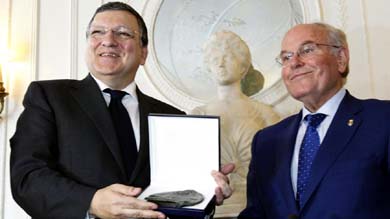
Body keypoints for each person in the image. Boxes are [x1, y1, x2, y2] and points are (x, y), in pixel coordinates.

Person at [10, 2, 233, 219]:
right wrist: (91, 202)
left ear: (143, 53)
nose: (108, 40)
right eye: (98, 32)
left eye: (123, 33)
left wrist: (206, 193)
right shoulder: (49, 97)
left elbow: (178, 199)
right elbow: (27, 178)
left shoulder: (173, 117)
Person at [238, 22, 390, 219]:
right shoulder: (266, 141)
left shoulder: (383, 120)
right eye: (286, 57)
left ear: (341, 58)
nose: (294, 63)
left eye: (307, 50)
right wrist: (204, 202)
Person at [191, 30, 280, 217]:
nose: (221, 64)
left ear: (243, 66)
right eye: (215, 59)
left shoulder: (265, 113)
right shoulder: (198, 114)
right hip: (211, 209)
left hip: (257, 208)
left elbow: (280, 169)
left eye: (228, 57)